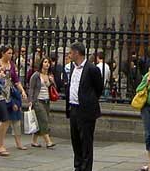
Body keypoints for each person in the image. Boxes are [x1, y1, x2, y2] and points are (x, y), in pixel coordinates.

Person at [66, 42, 103, 171]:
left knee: (86, 141)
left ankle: (86, 168)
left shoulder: (92, 69)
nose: (69, 55)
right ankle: (78, 166)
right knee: (75, 139)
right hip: (74, 108)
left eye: (70, 52)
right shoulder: (73, 68)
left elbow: (99, 88)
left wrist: (89, 100)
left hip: (86, 110)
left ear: (77, 53)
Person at [0, 45, 27, 156]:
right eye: (9, 53)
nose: (11, 55)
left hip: (9, 94)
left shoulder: (11, 65)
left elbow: (16, 80)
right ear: (3, 53)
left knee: (5, 120)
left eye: (12, 53)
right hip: (0, 94)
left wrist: (22, 91)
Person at [29, 56, 57, 149]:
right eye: (45, 62)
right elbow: (31, 88)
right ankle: (48, 141)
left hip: (46, 100)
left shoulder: (50, 75)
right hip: (38, 101)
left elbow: (54, 88)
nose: (47, 64)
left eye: (48, 62)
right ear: (42, 64)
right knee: (43, 120)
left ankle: (34, 141)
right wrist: (30, 101)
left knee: (40, 121)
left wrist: (52, 81)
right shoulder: (36, 75)